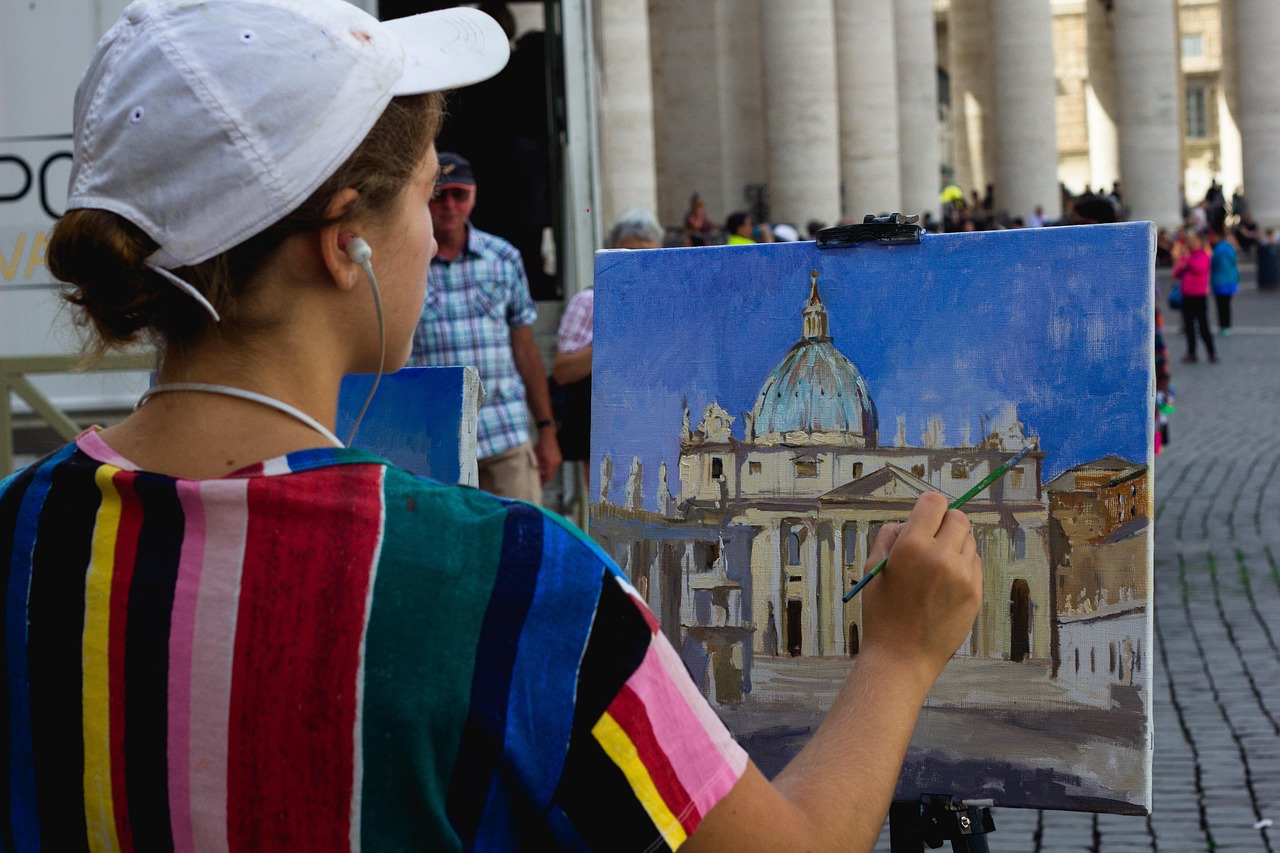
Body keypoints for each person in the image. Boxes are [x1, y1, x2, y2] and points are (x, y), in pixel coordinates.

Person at [3, 2, 985, 849]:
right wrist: (897, 655)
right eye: (428, 197)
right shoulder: (513, 585)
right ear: (344, 241)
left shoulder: (19, 529)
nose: (436, 237)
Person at [411, 151, 561, 503]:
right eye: (439, 195)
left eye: (458, 194)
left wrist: (547, 430)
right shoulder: (407, 261)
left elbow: (525, 349)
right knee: (446, 553)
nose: (449, 205)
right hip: (433, 441)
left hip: (503, 434)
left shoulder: (503, 257)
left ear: (474, 196)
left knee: (520, 547)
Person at [550, 209, 663, 469]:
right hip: (605, 435)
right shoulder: (588, 302)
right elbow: (563, 372)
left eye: (648, 253)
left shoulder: (666, 303)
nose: (639, 261)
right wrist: (619, 343)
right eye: (630, 252)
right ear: (612, 252)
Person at [1172, 229, 1218, 363]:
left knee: (1203, 325)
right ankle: (1191, 352)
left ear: (1199, 242)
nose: (1190, 243)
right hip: (1187, 296)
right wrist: (1183, 262)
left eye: (1192, 241)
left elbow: (1200, 268)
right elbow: (1176, 272)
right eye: (1188, 241)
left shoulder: (1203, 255)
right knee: (1188, 326)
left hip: (1199, 296)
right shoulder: (1187, 256)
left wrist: (1187, 260)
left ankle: (1211, 352)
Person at [1208, 227, 1239, 336]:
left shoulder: (1217, 250)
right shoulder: (1230, 248)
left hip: (1220, 281)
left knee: (1221, 306)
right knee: (1227, 305)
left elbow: (1213, 264)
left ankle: (1223, 326)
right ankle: (1227, 326)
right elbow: (1234, 264)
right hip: (1231, 280)